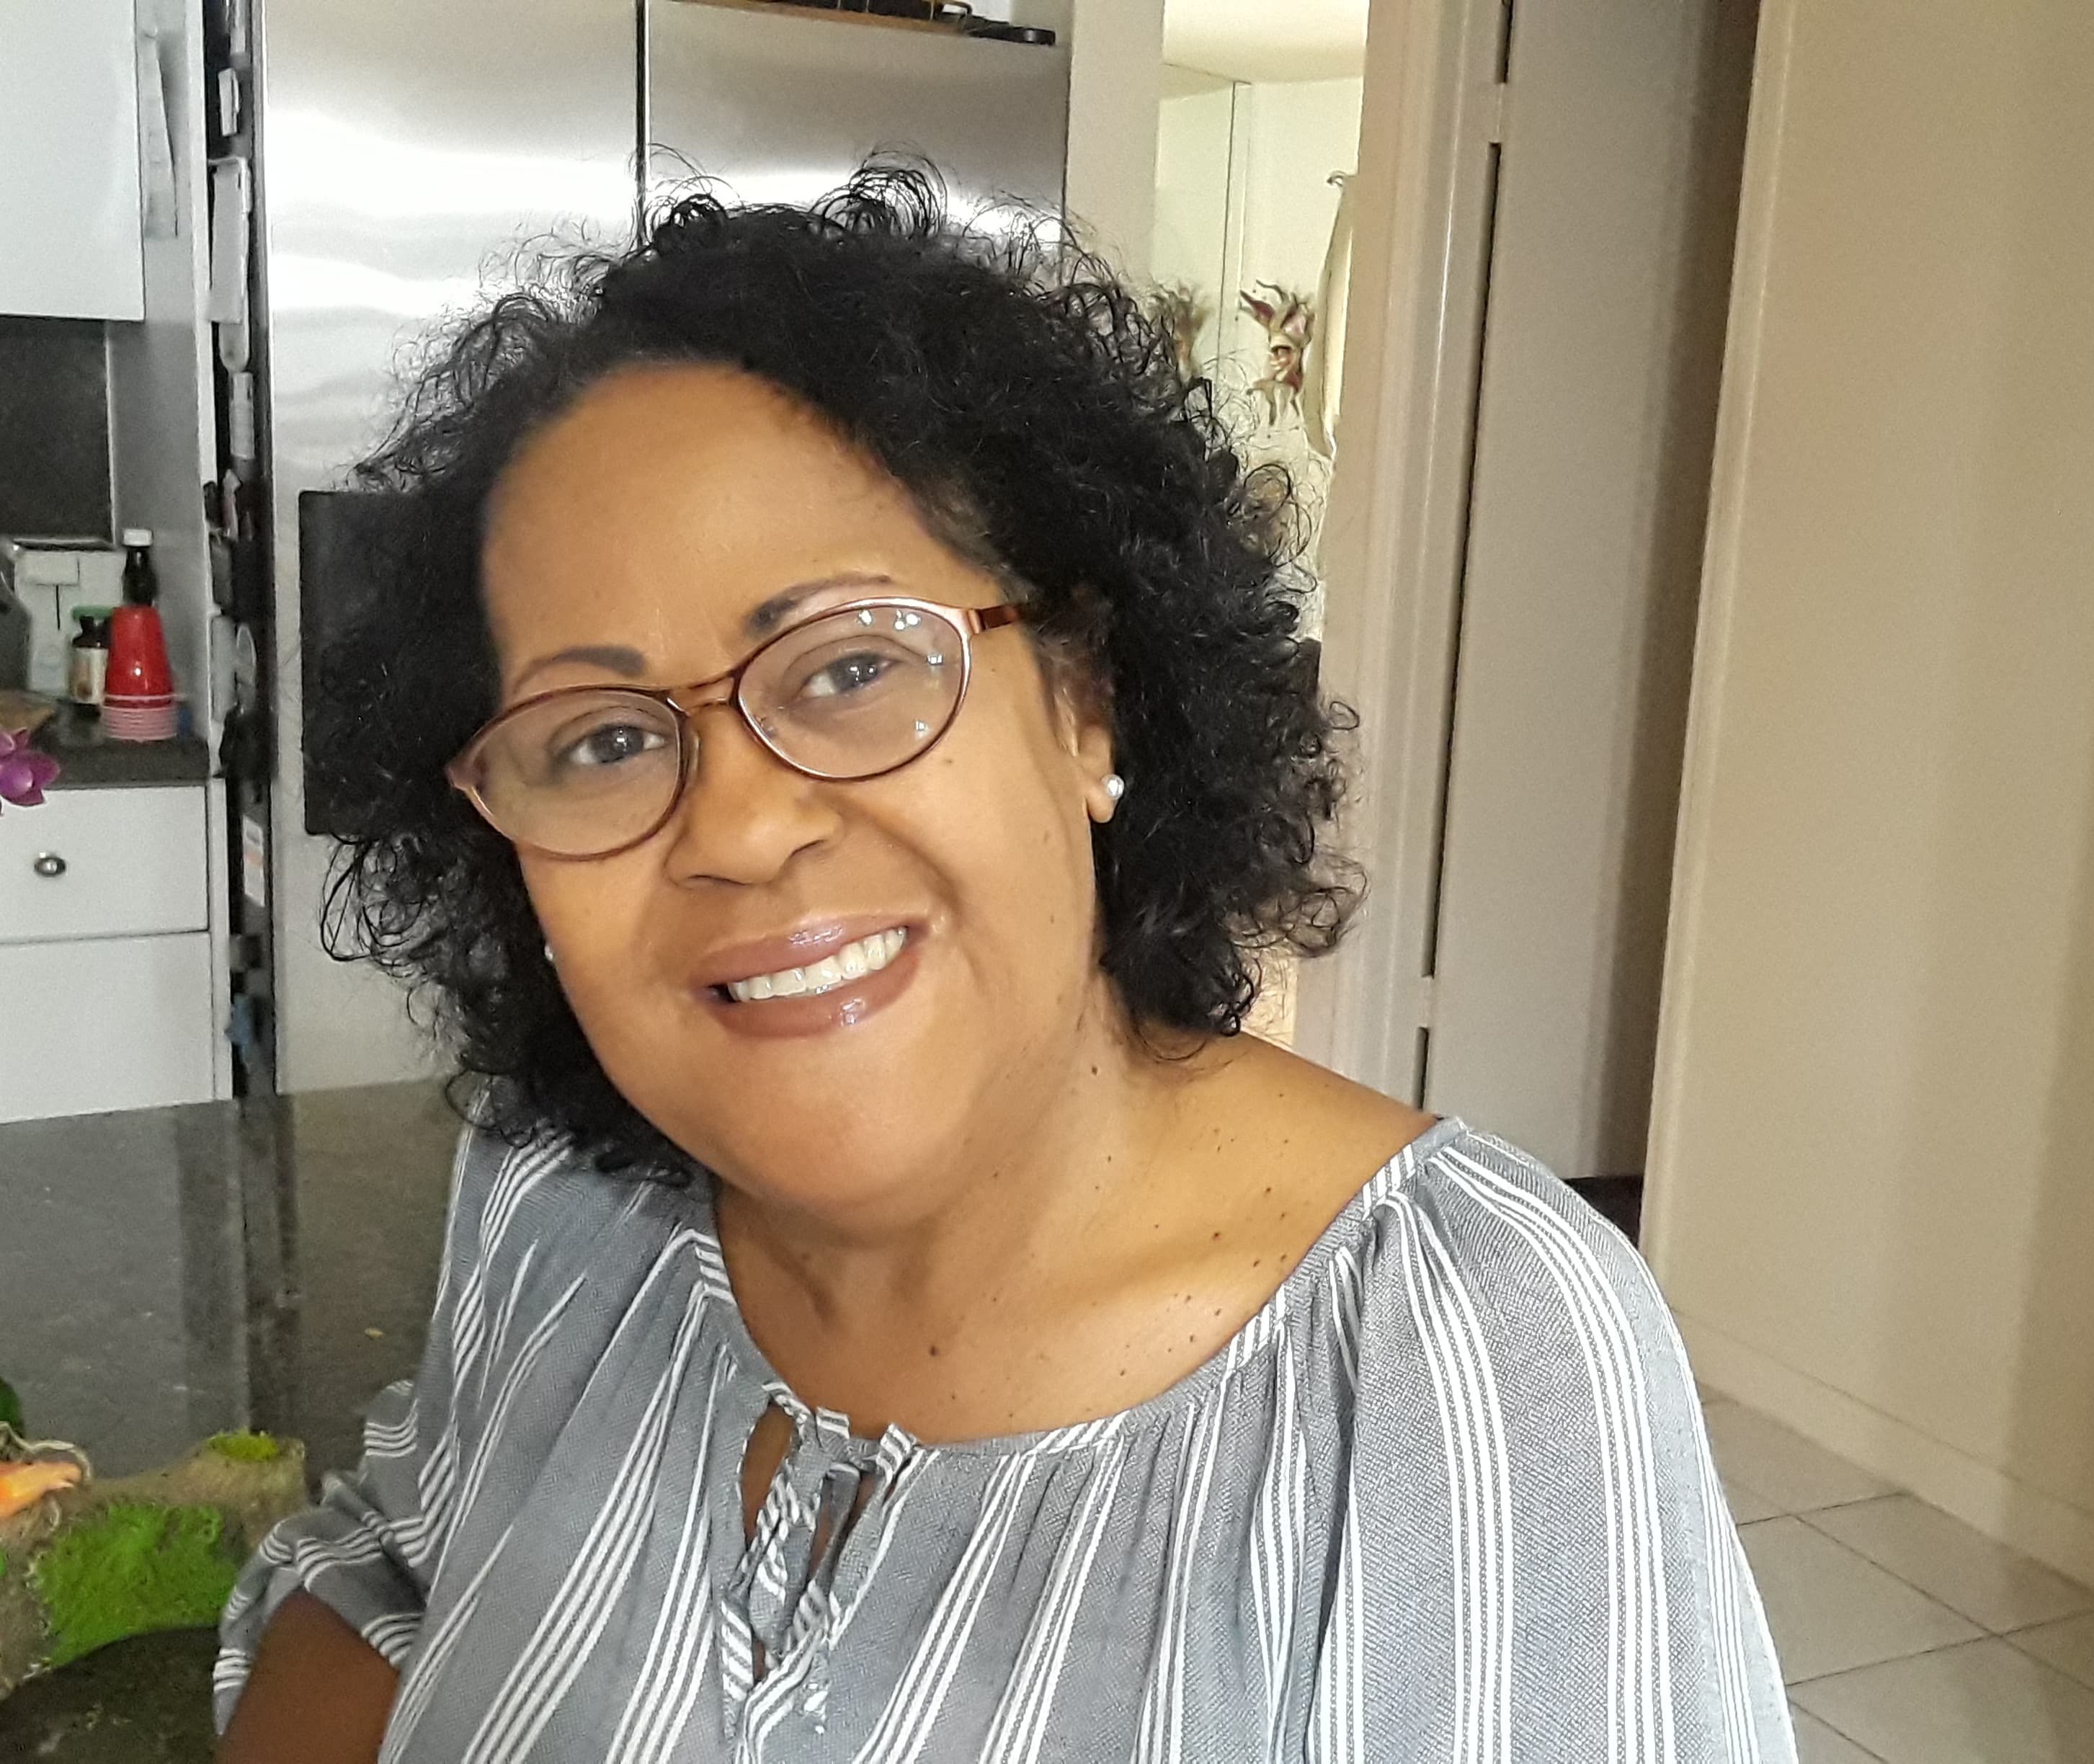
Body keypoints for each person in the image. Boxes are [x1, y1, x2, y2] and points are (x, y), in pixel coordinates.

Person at [213, 169, 1794, 1763]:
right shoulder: (561, 1189)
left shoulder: (1453, 1355)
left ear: (1085, 702)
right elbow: (395, 1565)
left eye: (850, 664)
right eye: (607, 737)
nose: (744, 829)